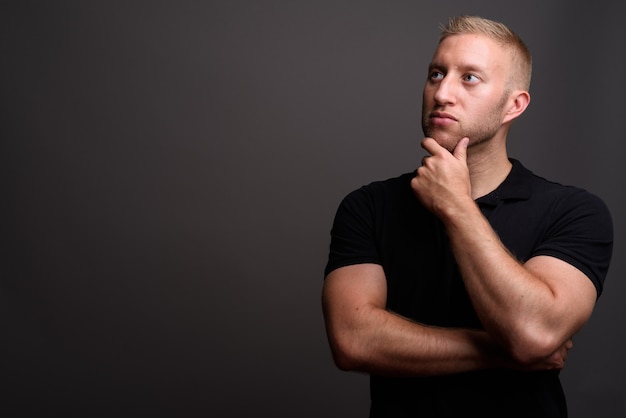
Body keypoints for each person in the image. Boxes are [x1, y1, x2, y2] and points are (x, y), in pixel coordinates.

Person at [321, 15, 613, 417]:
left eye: (469, 78)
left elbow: (535, 332)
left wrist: (456, 206)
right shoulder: (368, 206)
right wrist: (501, 352)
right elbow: (353, 341)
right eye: (436, 74)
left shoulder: (574, 212)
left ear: (514, 104)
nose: (442, 92)